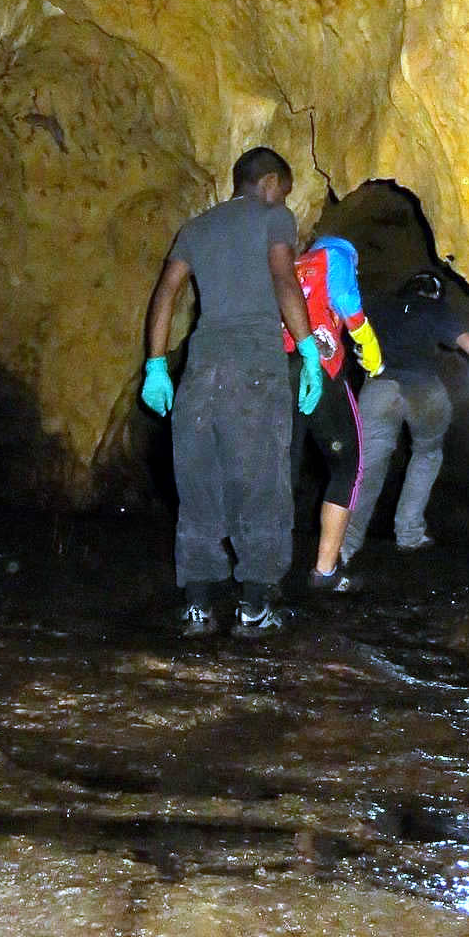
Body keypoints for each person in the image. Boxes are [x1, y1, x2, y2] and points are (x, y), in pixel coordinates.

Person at [140, 147, 324, 640]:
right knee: (261, 483)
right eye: (283, 189)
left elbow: (166, 292)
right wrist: (308, 351)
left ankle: (199, 608)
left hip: (200, 372)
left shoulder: (196, 228)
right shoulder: (273, 216)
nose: (285, 199)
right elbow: (284, 278)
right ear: (268, 184)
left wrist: (156, 364)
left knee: (199, 482)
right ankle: (254, 607)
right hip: (255, 368)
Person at [339, 270, 469, 564]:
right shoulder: (435, 308)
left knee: (368, 466)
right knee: (427, 452)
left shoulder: (380, 305)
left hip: (380, 388)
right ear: (435, 293)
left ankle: (345, 545)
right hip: (424, 389)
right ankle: (409, 534)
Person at [282, 235, 384, 591]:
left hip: (278, 367)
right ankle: (325, 572)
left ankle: (263, 572)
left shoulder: (288, 263)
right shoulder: (336, 255)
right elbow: (344, 298)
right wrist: (367, 342)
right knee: (348, 464)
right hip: (320, 367)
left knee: (283, 465)